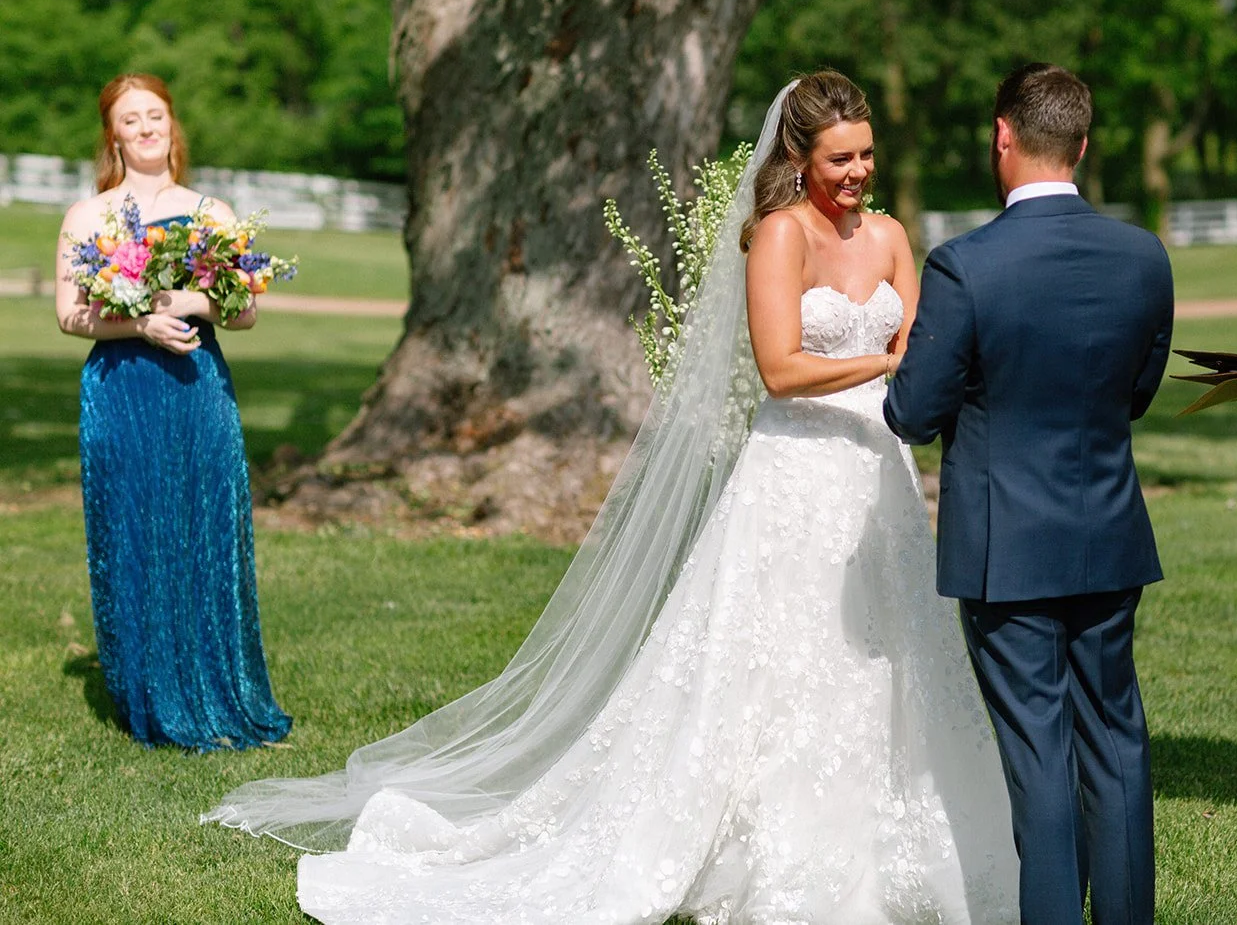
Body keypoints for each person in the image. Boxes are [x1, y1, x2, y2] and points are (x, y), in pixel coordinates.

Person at [205, 71, 1021, 923]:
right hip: (798, 471)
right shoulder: (780, 235)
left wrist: (923, 372)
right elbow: (782, 370)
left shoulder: (889, 236)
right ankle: (768, 845)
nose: (857, 173)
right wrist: (885, 363)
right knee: (785, 652)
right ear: (799, 156)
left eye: (866, 155)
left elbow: (923, 344)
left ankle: (895, 842)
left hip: (879, 469)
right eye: (840, 159)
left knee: (890, 655)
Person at [885, 62, 1174, 925]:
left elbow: (911, 411)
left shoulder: (965, 265)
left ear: (1002, 136)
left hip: (1004, 545)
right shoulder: (1143, 256)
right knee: (1116, 739)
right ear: (1081, 146)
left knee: (1040, 756)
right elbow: (1137, 392)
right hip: (1108, 531)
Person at [55, 73, 291, 751]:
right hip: (121, 390)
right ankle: (148, 696)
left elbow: (245, 311)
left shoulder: (211, 212)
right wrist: (139, 325)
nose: (146, 128)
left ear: (171, 123)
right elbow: (70, 315)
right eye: (130, 119)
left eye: (155, 115)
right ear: (113, 135)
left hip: (196, 386)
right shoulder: (88, 217)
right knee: (133, 529)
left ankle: (220, 690)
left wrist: (190, 302)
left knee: (205, 525)